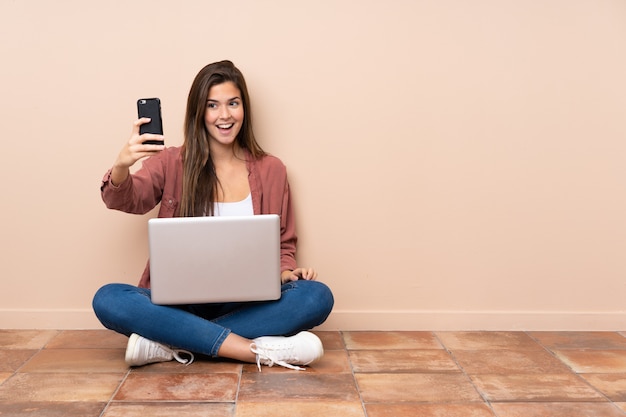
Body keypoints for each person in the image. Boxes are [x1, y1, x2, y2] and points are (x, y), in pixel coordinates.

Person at [92, 60, 334, 371]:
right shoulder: (171, 162)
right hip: (178, 302)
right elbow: (127, 199)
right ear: (199, 112)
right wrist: (122, 165)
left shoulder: (272, 169)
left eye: (233, 103)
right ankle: (253, 350)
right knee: (108, 298)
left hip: (247, 303)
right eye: (212, 105)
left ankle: (171, 341)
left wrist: (287, 273)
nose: (224, 115)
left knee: (316, 296)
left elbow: (283, 245)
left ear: (243, 108)